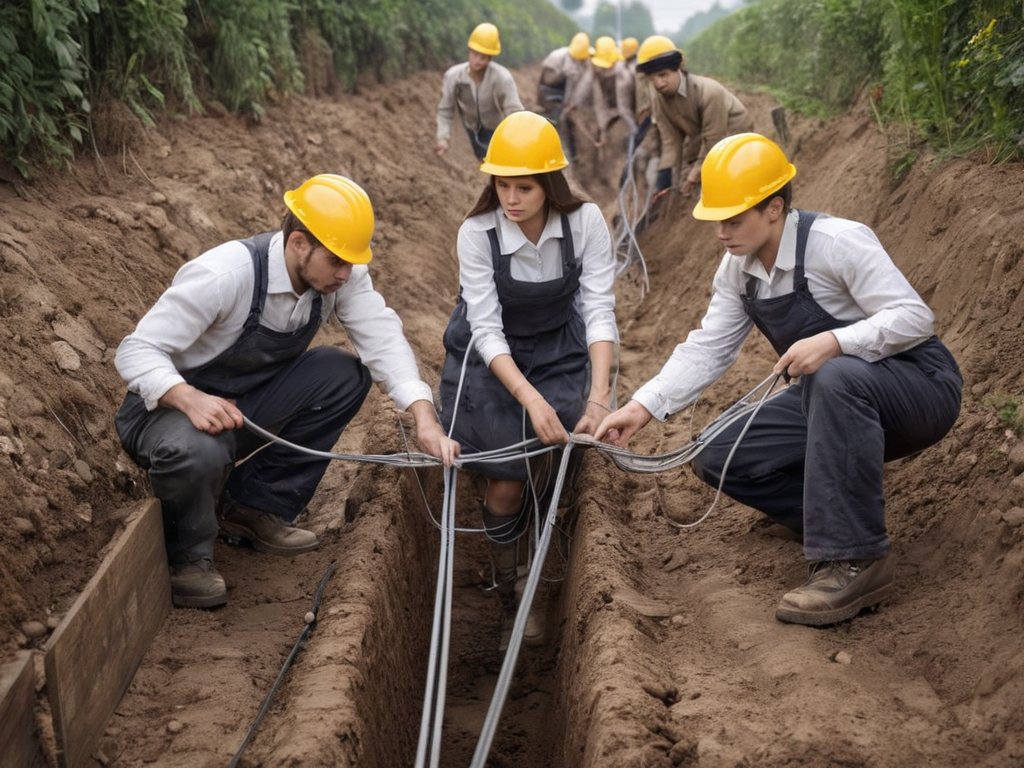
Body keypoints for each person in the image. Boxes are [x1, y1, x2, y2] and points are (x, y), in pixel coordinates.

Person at [595, 134, 962, 627]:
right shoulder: (737, 268)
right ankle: (824, 515)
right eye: (717, 220)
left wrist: (835, 342)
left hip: (919, 388)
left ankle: (856, 559)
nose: (722, 232)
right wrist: (641, 407)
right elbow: (709, 345)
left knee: (835, 376)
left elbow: (915, 318)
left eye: (734, 218)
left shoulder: (837, 242)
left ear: (774, 207)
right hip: (831, 399)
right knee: (718, 454)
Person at [115, 174, 460, 609]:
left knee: (342, 374)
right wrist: (188, 398)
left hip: (244, 405)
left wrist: (424, 418)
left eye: (351, 262)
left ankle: (250, 506)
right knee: (199, 449)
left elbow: (382, 338)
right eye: (337, 261)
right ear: (299, 243)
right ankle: (188, 559)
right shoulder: (225, 276)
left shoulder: (337, 275)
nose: (346, 273)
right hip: (165, 416)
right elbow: (136, 351)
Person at [438, 111, 618, 645]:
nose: (510, 199)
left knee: (558, 456)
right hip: (490, 359)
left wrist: (601, 394)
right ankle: (511, 589)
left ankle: (545, 556)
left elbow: (600, 310)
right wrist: (528, 398)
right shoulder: (477, 233)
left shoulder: (585, 223)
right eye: (501, 185)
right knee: (505, 479)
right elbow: (487, 330)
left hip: (559, 348)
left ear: (550, 185)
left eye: (524, 187)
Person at [636, 35, 753, 199]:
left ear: (678, 68)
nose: (658, 83)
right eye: (652, 78)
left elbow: (714, 140)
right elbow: (671, 142)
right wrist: (667, 183)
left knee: (711, 188)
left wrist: (693, 177)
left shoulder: (709, 92)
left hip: (733, 137)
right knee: (683, 184)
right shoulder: (658, 99)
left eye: (663, 75)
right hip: (700, 136)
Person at [436, 22, 525, 161]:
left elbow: (514, 111)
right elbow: (445, 110)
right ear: (469, 50)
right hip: (470, 130)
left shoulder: (503, 79)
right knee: (481, 160)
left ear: (490, 58)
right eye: (475, 54)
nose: (477, 61)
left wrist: (518, 142)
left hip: (496, 131)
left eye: (483, 57)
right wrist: (443, 138)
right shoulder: (453, 76)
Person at [536, 32, 593, 161]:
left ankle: (572, 154)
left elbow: (575, 88)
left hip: (559, 93)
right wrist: (566, 105)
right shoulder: (559, 59)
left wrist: (570, 105)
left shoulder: (578, 60)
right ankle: (562, 152)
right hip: (550, 91)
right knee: (559, 123)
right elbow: (545, 81)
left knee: (568, 123)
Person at [589, 36, 637, 146]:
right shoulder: (596, 74)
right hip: (612, 111)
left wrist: (633, 126)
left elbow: (625, 104)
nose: (605, 71)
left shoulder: (624, 73)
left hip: (629, 111)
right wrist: (603, 128)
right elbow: (599, 102)